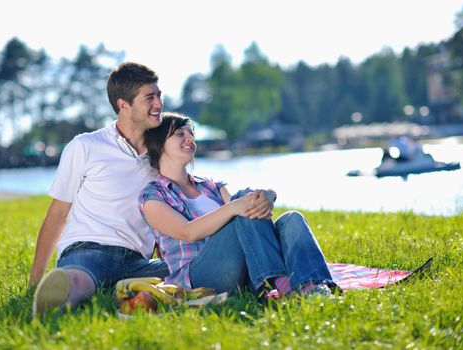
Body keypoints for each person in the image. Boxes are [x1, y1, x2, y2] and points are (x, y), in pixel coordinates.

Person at [139, 113, 338, 299]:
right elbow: (187, 232)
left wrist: (268, 195)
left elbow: (247, 209)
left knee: (292, 219)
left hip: (244, 273)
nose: (190, 139)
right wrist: (235, 207)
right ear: (159, 143)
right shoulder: (153, 196)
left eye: (191, 134)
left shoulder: (211, 186)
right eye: (180, 134)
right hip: (199, 279)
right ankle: (283, 284)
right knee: (241, 201)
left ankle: (313, 286)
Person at [28, 62, 172, 317]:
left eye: (159, 95)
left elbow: (169, 209)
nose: (159, 104)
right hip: (88, 251)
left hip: (137, 262)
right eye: (149, 97)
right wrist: (34, 280)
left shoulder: (162, 152)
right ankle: (55, 298)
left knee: (187, 270)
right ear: (123, 105)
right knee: (78, 281)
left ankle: (130, 289)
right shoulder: (85, 146)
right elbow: (58, 214)